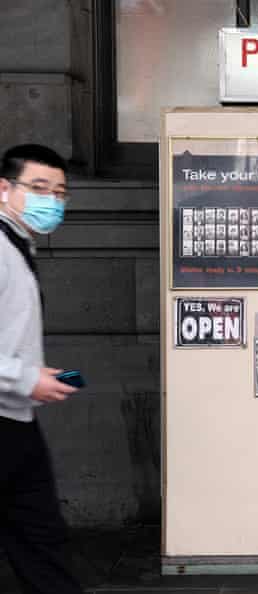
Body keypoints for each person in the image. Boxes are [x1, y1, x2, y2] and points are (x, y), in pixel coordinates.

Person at [0, 144, 83, 593]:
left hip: (15, 419)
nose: (51, 200)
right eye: (38, 188)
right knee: (40, 542)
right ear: (3, 189)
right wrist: (26, 378)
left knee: (42, 543)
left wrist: (34, 373)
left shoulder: (16, 246)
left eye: (59, 192)